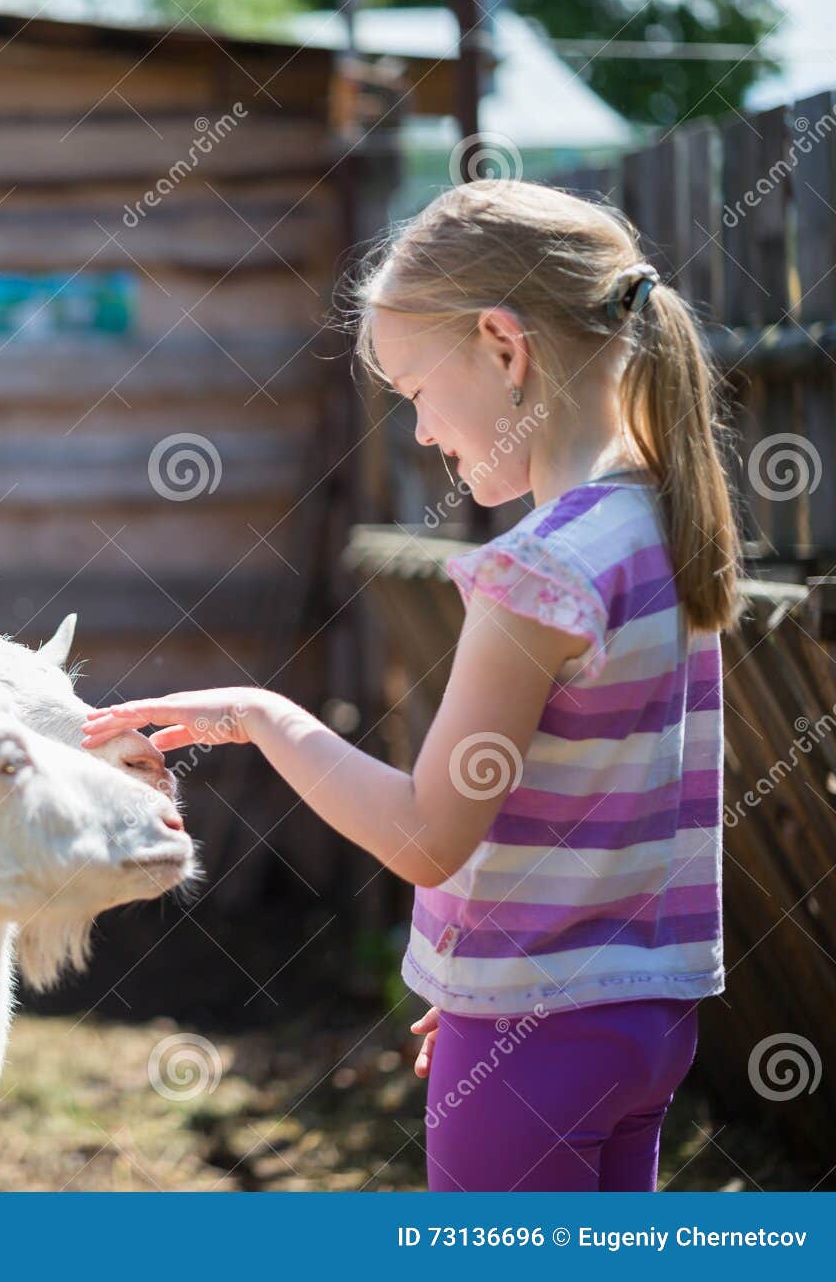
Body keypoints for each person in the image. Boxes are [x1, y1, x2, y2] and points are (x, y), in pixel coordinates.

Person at [82, 180, 736, 1192]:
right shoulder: (660, 523)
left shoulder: (537, 572)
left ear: (503, 346)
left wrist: (261, 715)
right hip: (645, 1021)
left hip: (533, 1049)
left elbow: (430, 832)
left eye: (416, 391)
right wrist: (476, 976)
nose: (422, 431)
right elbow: (603, 808)